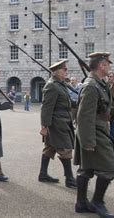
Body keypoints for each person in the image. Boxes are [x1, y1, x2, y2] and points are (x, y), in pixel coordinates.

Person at [74, 52, 114, 217]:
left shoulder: (99, 84)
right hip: (93, 132)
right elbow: (83, 115)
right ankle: (97, 202)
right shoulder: (92, 86)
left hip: (97, 129)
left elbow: (100, 108)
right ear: (102, 65)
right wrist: (88, 142)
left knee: (86, 168)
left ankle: (81, 203)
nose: (109, 67)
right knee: (109, 168)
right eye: (108, 64)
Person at [39, 60, 77, 188]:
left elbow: (68, 102)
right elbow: (46, 108)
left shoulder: (60, 84)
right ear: (56, 72)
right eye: (64, 69)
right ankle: (70, 178)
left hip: (63, 120)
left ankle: (43, 174)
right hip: (57, 123)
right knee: (65, 149)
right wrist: (44, 127)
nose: (66, 71)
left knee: (50, 147)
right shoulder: (52, 86)